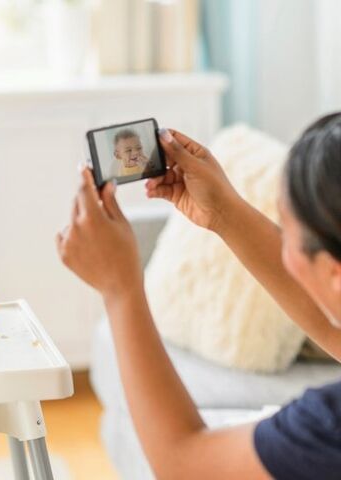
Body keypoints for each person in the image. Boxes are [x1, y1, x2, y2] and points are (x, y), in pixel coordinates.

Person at [57, 113, 341, 479]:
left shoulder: (327, 428)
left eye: (288, 234)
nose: (284, 247)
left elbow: (184, 464)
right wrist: (222, 211)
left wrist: (120, 290)